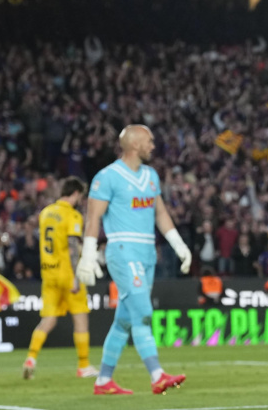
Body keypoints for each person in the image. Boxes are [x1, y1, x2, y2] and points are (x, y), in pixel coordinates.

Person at [76, 125, 191, 395]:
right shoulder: (108, 177)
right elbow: (93, 217)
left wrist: (179, 245)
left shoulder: (151, 176)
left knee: (124, 321)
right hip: (123, 250)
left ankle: (104, 381)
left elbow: (160, 213)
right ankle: (157, 375)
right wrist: (88, 254)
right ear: (136, 144)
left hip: (148, 253)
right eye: (149, 140)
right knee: (143, 313)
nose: (153, 145)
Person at [23, 177, 99, 380]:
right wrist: (75, 276)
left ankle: (31, 357)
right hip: (67, 274)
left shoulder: (46, 213)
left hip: (48, 274)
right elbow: (72, 247)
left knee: (48, 319)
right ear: (75, 193)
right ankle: (83, 365)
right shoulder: (72, 216)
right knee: (80, 318)